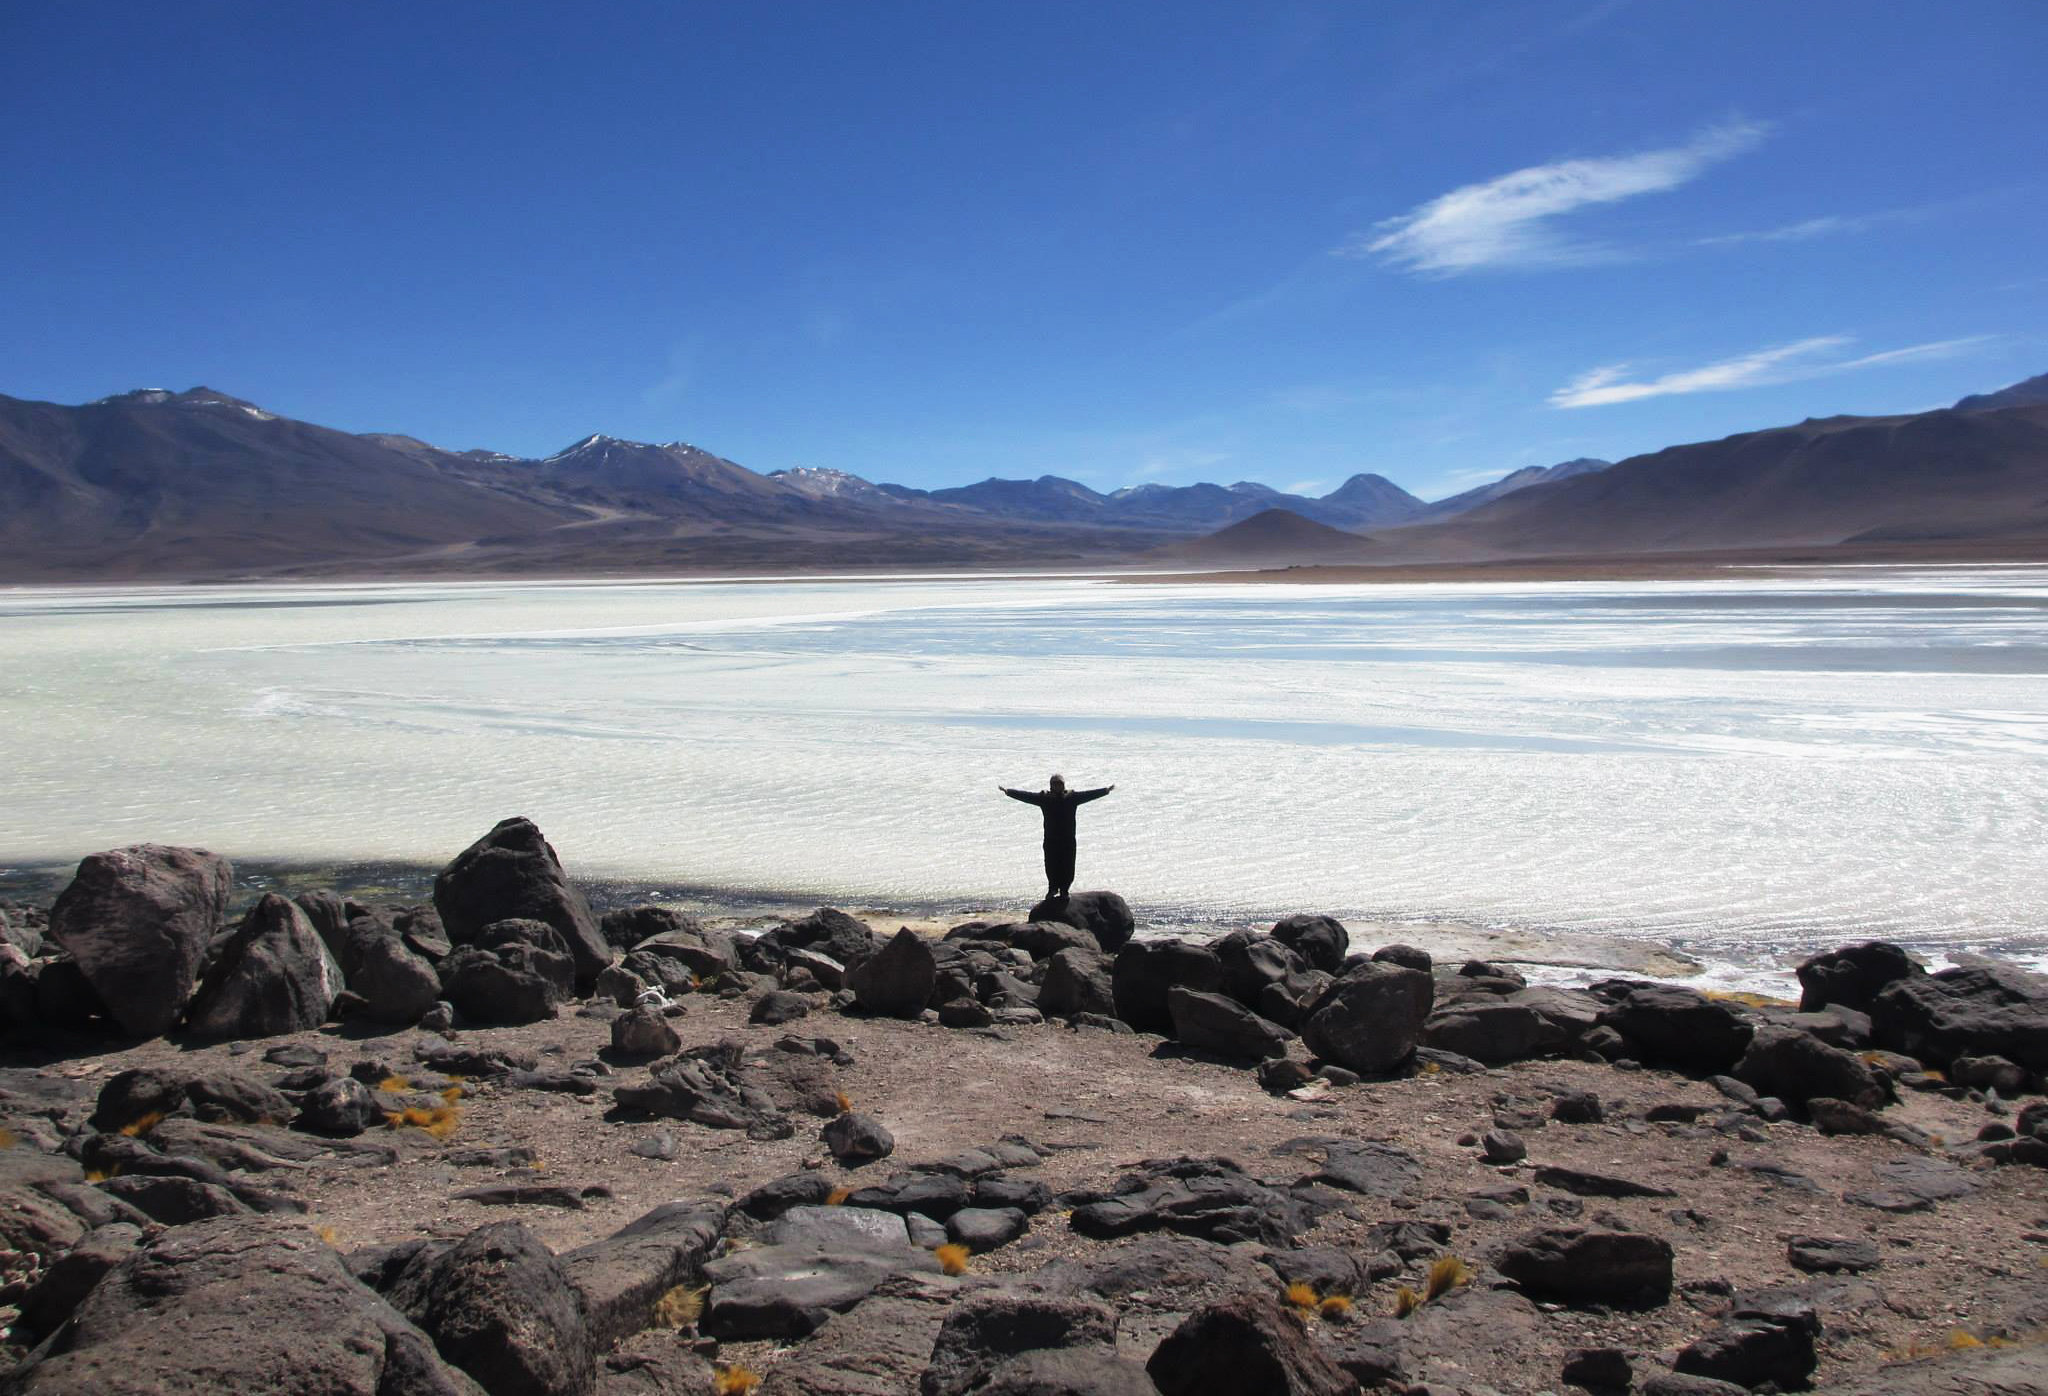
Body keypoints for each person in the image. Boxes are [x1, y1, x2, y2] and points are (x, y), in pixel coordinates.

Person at [999, 774, 1113, 901]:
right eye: (1055, 784)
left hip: (1068, 840)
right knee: (1051, 865)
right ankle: (1052, 889)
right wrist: (1009, 792)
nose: (1057, 786)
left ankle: (1064, 890)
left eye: (1060, 784)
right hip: (1051, 840)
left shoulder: (1071, 797)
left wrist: (1105, 791)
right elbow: (1027, 796)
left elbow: (1088, 795)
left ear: (1063, 785)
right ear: (1051, 786)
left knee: (1068, 865)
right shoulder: (1044, 798)